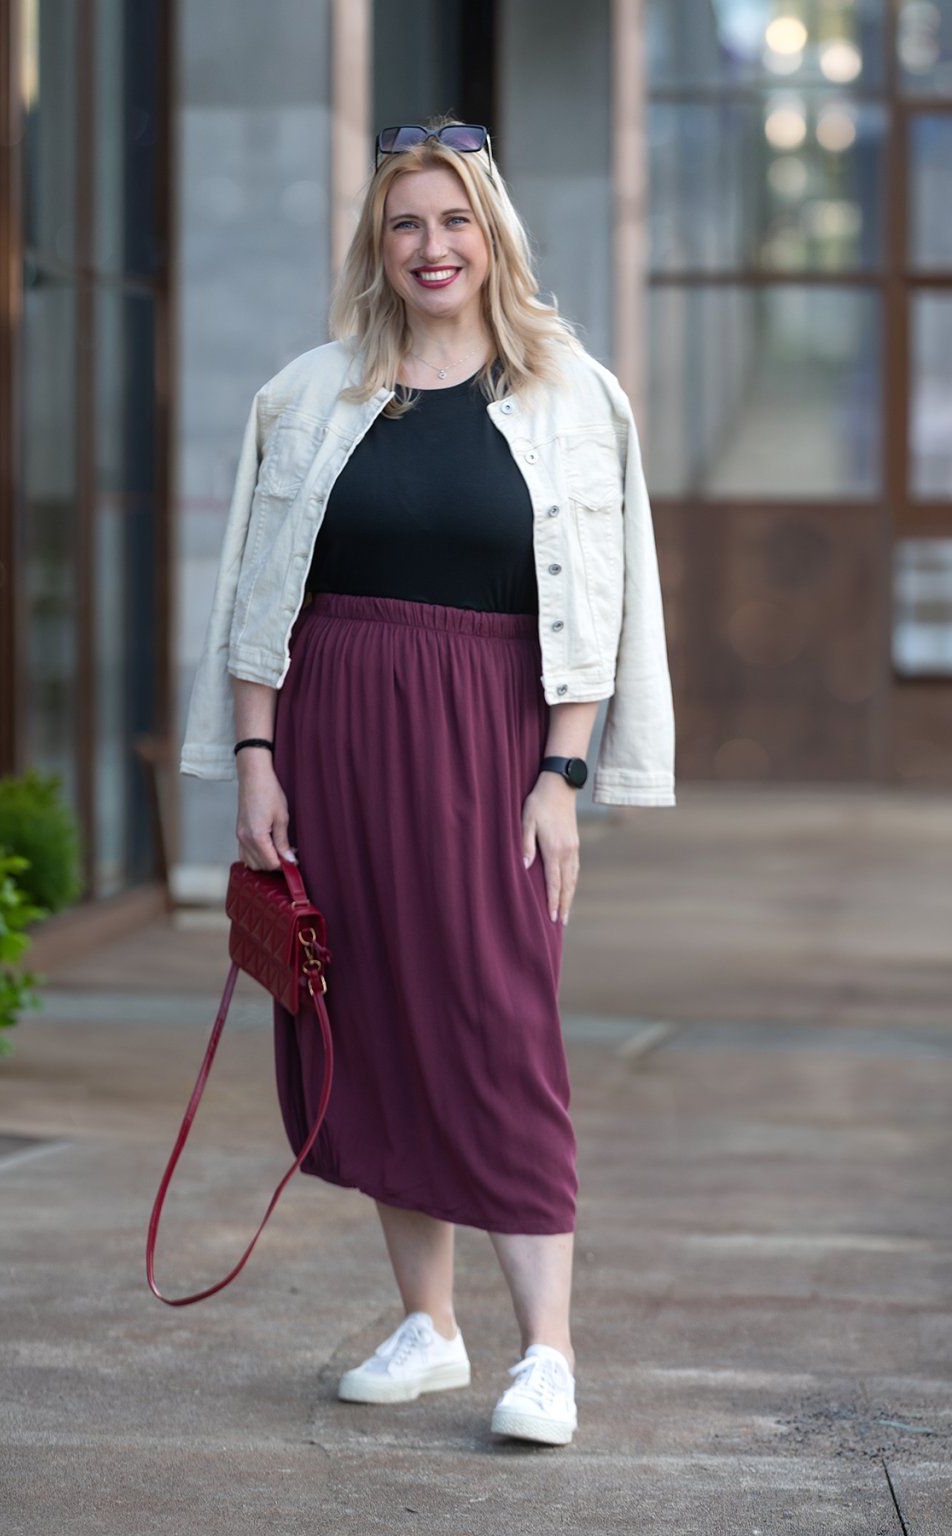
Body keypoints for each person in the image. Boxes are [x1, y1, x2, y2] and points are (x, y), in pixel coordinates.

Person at [179, 116, 675, 1448]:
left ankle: (548, 1353)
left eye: (455, 221)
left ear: (492, 237)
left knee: (499, 1025)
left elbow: (596, 605)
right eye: (407, 223)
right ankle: (430, 1326)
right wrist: (256, 758)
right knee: (370, 1019)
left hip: (490, 735)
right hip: (333, 730)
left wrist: (562, 773)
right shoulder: (310, 393)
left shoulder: (572, 394)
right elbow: (261, 598)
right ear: (377, 245)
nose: (432, 246)